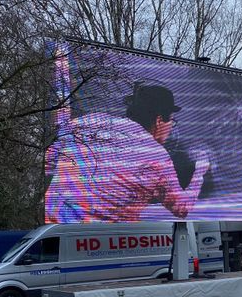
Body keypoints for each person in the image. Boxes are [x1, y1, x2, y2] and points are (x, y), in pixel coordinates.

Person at [45, 83, 210, 222]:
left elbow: (49, 160)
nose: (172, 127)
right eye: (171, 121)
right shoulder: (157, 156)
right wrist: (200, 172)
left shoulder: (88, 122)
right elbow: (181, 209)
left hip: (52, 229)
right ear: (159, 120)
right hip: (103, 240)